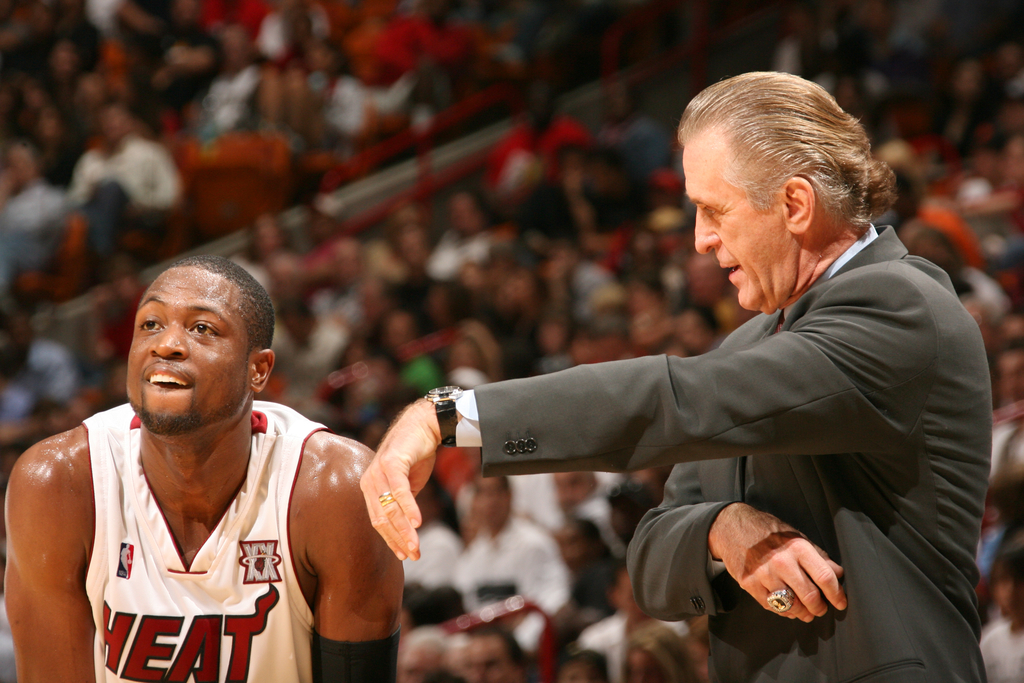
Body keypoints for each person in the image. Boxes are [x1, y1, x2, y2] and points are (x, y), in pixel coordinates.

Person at [361, 70, 992, 682]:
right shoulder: (749, 342)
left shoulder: (898, 305)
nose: (700, 240)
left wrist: (452, 417)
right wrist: (721, 530)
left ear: (796, 204)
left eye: (714, 211)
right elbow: (651, 559)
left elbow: (680, 400)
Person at [5, 255, 403, 681]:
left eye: (202, 328)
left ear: (258, 369)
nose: (166, 345)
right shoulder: (58, 484)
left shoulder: (335, 488)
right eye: (150, 324)